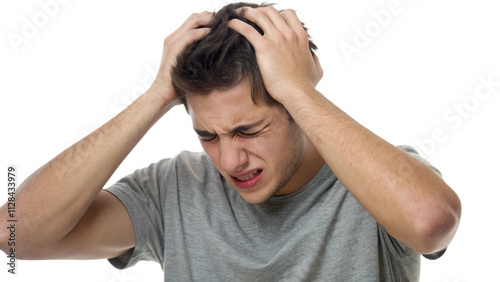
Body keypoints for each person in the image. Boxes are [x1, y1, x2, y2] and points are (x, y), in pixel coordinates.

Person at [0, 2, 461, 281]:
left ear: (293, 103)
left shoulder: (372, 184)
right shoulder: (175, 189)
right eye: (208, 135)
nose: (231, 158)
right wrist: (156, 95)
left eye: (249, 130)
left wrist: (299, 90)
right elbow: (15, 233)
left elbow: (432, 222)